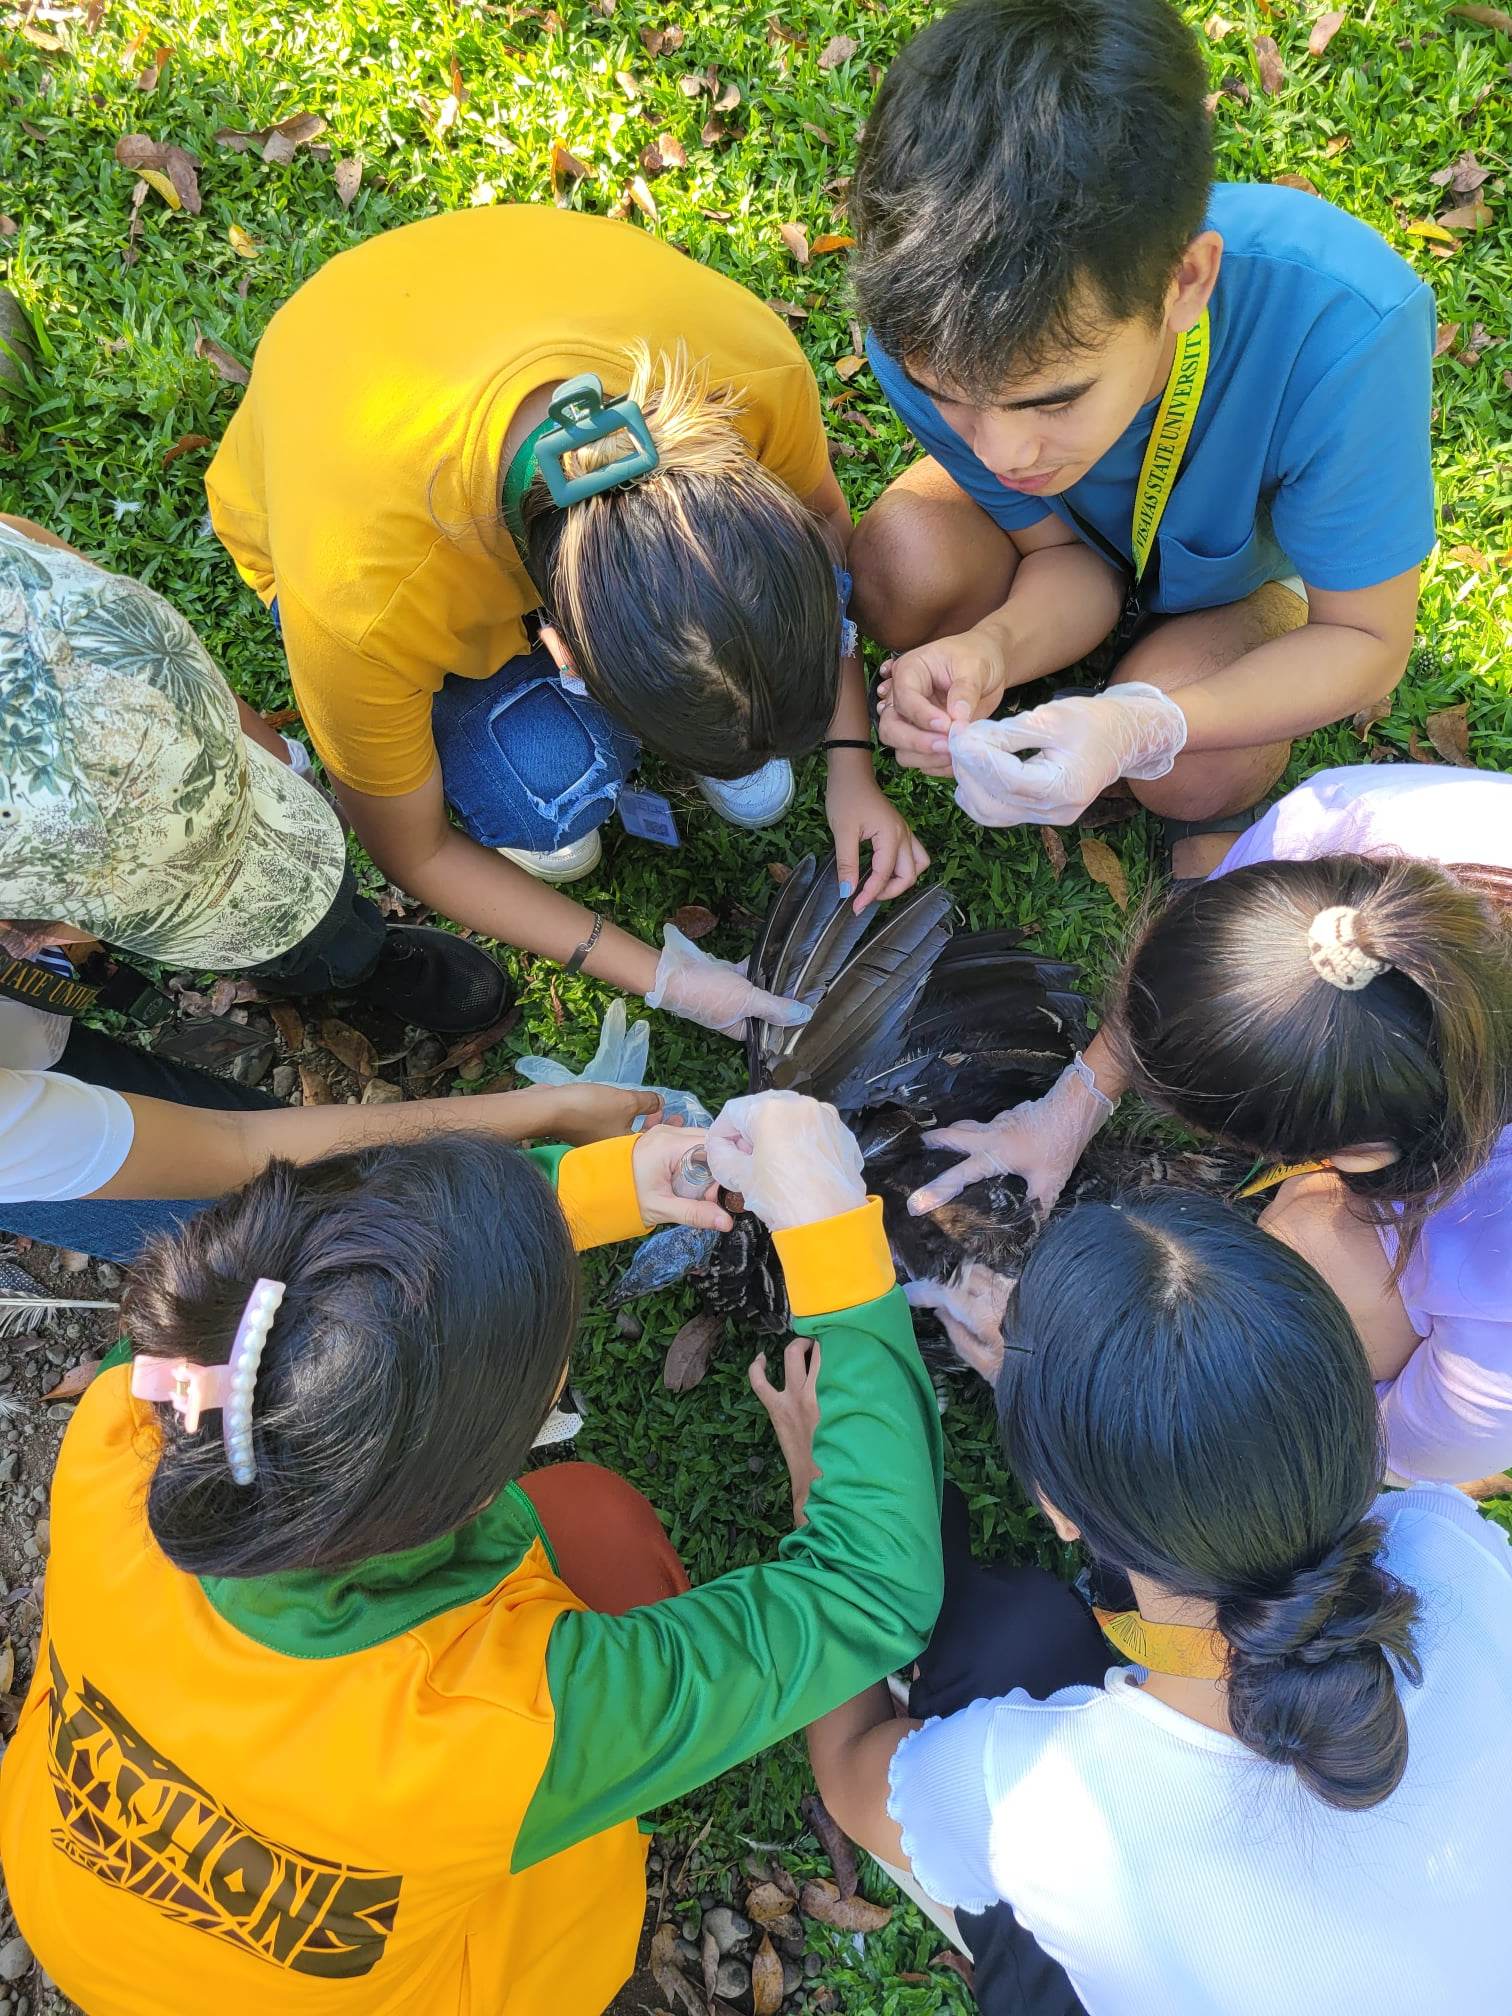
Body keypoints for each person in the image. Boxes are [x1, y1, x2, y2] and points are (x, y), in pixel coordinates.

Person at [0, 1090, 945, 2015]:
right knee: (605, 1538)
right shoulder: (496, 1733)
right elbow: (869, 1587)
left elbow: (340, 1283)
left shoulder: (141, 1417)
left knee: (582, 1519)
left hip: (73, 1906)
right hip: (428, 1980)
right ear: (474, 1491)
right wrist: (832, 1237)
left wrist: (595, 1190)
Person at [205, 205, 927, 1040]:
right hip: (349, 408)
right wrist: (666, 980)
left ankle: (694, 708)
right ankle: (601, 743)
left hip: (467, 301)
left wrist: (850, 764)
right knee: (549, 793)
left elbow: (828, 533)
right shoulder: (364, 603)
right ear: (557, 651)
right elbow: (415, 850)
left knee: (704, 723)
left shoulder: (748, 371)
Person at [806, 1194, 1508, 2016]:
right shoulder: (1453, 1549)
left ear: (1059, 1509)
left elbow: (849, 1771)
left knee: (1003, 1639)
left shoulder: (1041, 1804)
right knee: (1014, 1636)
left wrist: (832, 1504)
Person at [847, 0, 1434, 877]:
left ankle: (1227, 651)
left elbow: (1366, 642)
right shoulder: (919, 328)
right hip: (1078, 552)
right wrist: (993, 647)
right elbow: (1062, 556)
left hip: (1240, 583)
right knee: (900, 572)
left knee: (1195, 772)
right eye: (951, 400)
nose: (1003, 455)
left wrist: (1143, 724)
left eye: (1053, 400)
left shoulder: (1344, 329)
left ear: (1186, 283)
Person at [911, 765, 1512, 1485]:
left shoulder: (1498, 1283)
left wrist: (1095, 1377)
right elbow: (1179, 985)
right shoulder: (1339, 830)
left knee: (1318, 1258)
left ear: (1353, 1155)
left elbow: (1390, 1448)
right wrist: (1073, 1104)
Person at [0, 512, 512, 1033]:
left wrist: (282, 758)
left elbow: (149, 647)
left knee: (326, 888)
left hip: (256, 798)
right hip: (186, 905)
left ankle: (347, 949)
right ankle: (352, 968)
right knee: (295, 945)